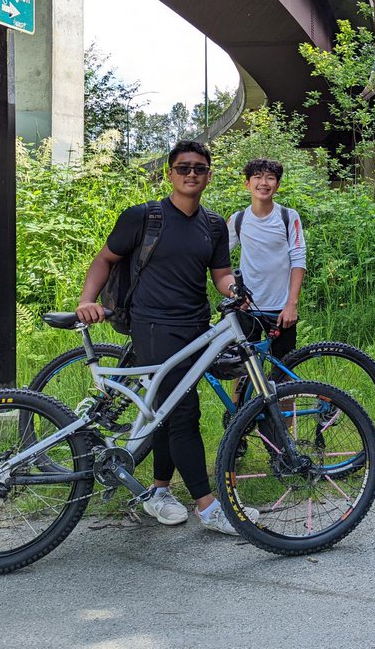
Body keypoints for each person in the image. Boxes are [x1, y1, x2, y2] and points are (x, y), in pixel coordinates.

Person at [75, 140, 255, 535]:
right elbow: (105, 258)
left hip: (195, 327)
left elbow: (220, 274)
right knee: (184, 413)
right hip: (152, 327)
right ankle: (208, 507)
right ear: (169, 173)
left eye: (200, 168)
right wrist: (87, 300)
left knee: (165, 411)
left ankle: (158, 491)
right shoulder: (143, 217)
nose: (192, 174)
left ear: (209, 175)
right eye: (184, 167)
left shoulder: (213, 225)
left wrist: (234, 291)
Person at [227, 158, 306, 365]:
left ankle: (284, 390)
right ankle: (242, 392)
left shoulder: (288, 216)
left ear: (277, 185)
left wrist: (292, 304)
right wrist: (233, 290)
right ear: (247, 184)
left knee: (284, 369)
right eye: (257, 177)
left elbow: (298, 259)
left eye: (270, 178)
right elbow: (217, 257)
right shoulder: (238, 219)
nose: (264, 183)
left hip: (281, 309)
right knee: (244, 370)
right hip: (246, 308)